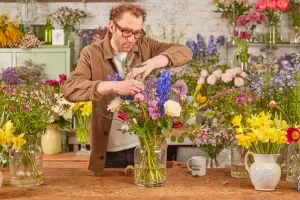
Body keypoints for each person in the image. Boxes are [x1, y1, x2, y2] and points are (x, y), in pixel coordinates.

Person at [63, 2, 192, 175]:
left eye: (137, 33)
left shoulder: (146, 46)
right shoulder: (91, 53)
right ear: (111, 26)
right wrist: (115, 86)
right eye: (126, 32)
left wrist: (154, 62)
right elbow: (70, 89)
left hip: (147, 145)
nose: (131, 39)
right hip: (109, 154)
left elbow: (184, 52)